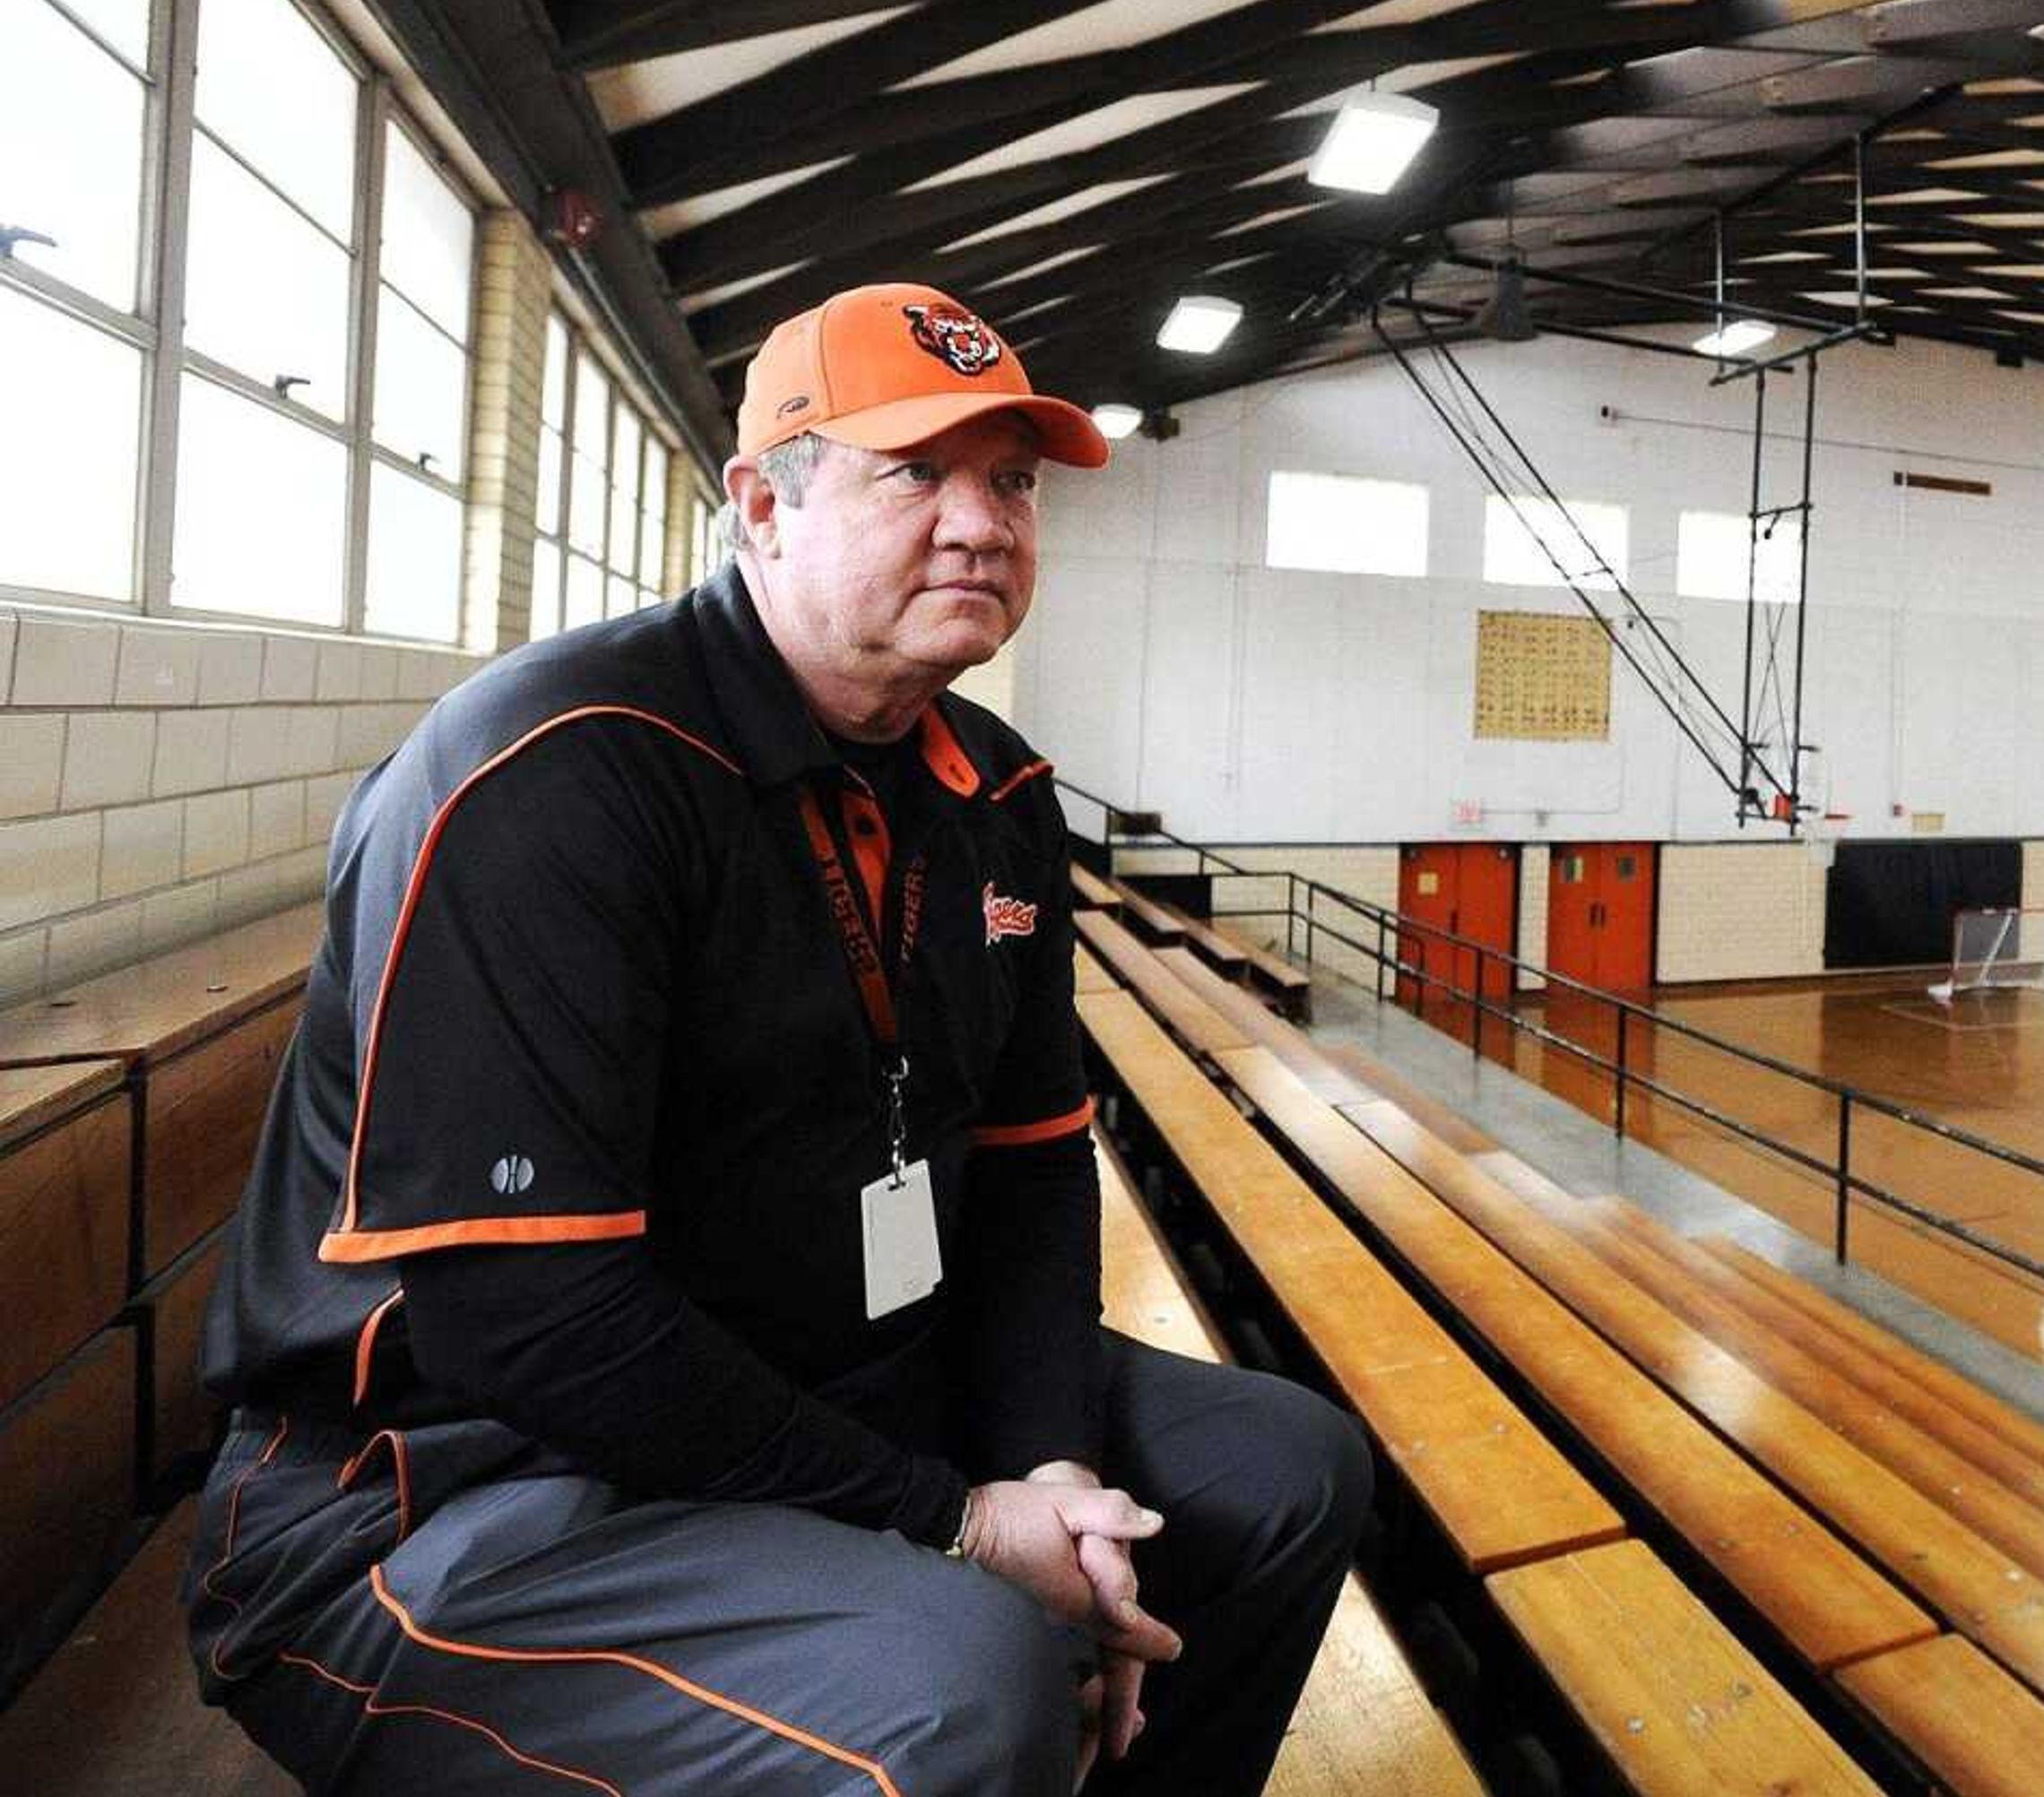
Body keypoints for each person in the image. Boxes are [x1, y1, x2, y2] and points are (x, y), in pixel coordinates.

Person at [187, 282, 1371, 1794]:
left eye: (1011, 478)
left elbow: (1027, 1175)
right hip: (454, 1480)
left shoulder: (998, 797)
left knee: (1286, 1471)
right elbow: (527, 1323)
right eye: (915, 470)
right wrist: (954, 1521)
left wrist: (1046, 1466)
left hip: (830, 1377)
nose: (983, 523)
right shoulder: (559, 773)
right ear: (760, 505)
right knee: (959, 1688)